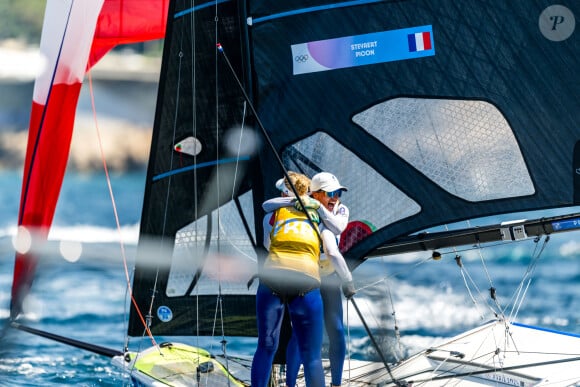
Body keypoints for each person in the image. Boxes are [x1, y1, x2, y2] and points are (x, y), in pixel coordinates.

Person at [263, 172, 355, 387]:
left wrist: (317, 206)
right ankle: (291, 384)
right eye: (331, 193)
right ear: (314, 193)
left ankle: (337, 384)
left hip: (326, 277)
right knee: (300, 334)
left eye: (338, 193)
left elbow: (339, 227)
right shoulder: (300, 211)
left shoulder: (340, 209)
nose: (336, 198)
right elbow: (331, 252)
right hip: (309, 277)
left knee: (336, 330)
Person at [252, 172, 325, 387]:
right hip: (306, 282)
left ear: (285, 193)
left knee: (266, 346)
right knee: (311, 354)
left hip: (273, 279)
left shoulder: (272, 216)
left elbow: (267, 245)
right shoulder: (319, 216)